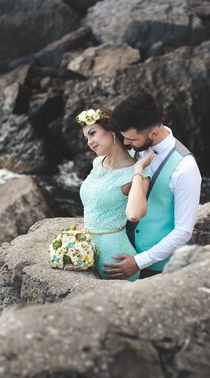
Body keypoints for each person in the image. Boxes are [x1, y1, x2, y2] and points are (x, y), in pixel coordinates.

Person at [104, 90, 202, 279]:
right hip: (126, 253)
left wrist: (139, 262)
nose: (125, 143)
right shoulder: (133, 149)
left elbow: (183, 231)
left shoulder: (185, 168)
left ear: (154, 132)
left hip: (163, 269)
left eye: (131, 139)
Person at [76, 108, 154, 281]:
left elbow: (135, 215)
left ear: (112, 130)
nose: (89, 142)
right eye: (87, 138)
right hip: (86, 251)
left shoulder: (135, 174)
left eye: (93, 133)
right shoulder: (97, 162)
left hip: (114, 260)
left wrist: (139, 169)